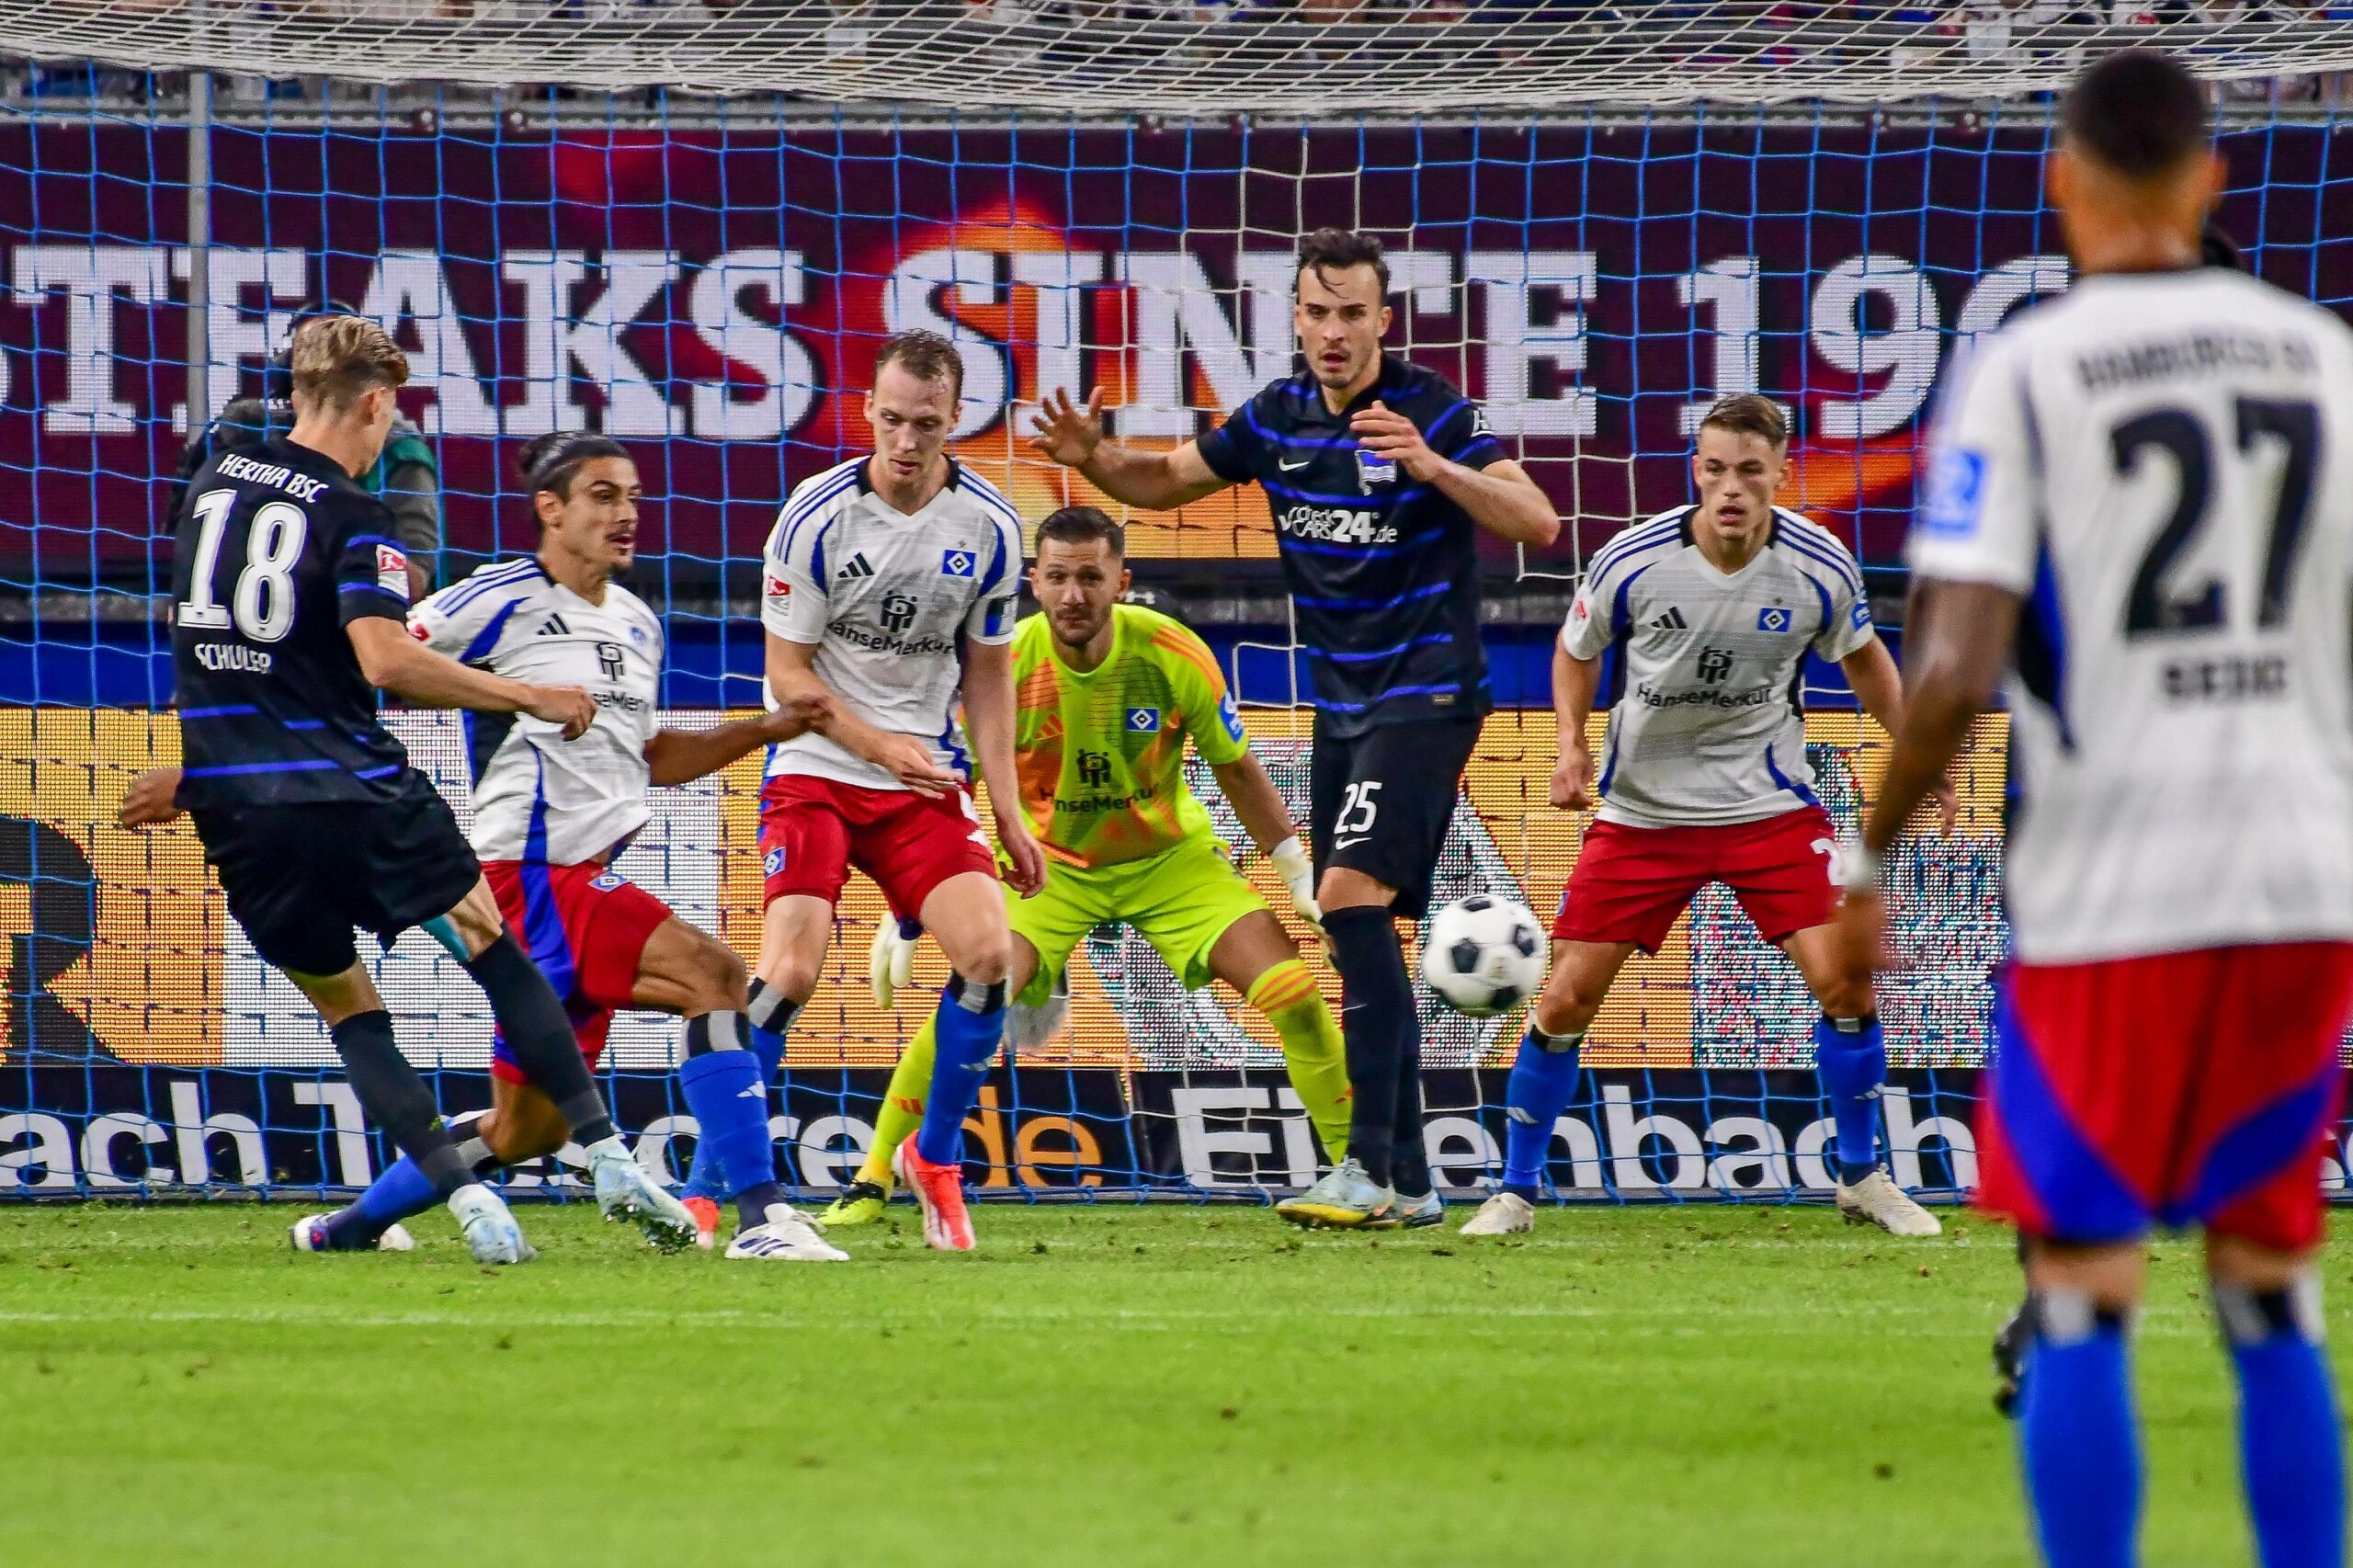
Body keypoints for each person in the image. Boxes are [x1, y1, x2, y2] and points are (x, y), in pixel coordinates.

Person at [1832, 50, 2353, 1567]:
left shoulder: (2033, 368)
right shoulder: (2321, 359)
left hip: (2116, 886)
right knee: (2271, 1291)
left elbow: (1952, 669)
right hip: (2302, 884)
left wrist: (1872, 857)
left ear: (2064, 180)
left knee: (2081, 1291)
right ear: (2211, 179)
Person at [119, 314, 693, 1262]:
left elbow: (227, 648)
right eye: (395, 413)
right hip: (356, 788)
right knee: (493, 949)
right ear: (377, 402)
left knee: (352, 1012)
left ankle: (467, 1201)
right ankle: (605, 1153)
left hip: (240, 809)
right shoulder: (357, 518)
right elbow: (386, 661)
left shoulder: (213, 485)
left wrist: (197, 769)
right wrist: (529, 695)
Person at [1029, 227, 1559, 1228]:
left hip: (1426, 694)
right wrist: (1090, 457)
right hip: (1342, 707)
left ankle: (1369, 1164)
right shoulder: (1274, 417)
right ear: (1295, 318)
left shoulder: (1430, 410)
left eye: (1352, 313)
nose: (1332, 332)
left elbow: (1536, 523)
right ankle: (1404, 1178)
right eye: (1315, 312)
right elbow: (1159, 481)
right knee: (1353, 920)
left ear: (1383, 320)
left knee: (1347, 893)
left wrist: (1432, 463)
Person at [274, 433, 844, 1263]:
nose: (625, 516)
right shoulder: (496, 597)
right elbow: (377, 660)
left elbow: (654, 759)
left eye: (635, 499)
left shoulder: (638, 624)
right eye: (604, 497)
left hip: (578, 882)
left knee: (525, 1127)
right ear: (552, 509)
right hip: (525, 877)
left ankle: (341, 1232)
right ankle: (762, 1218)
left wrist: (766, 729)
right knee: (716, 977)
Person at [1454, 395, 1955, 1239]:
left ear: (1778, 477)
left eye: (1750, 473)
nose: (1731, 489)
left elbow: (1865, 658)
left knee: (1845, 979)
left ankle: (1863, 1176)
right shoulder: (1634, 559)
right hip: (1643, 814)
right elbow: (1577, 652)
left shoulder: (1819, 565)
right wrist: (1571, 746)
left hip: (1769, 807)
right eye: (1716, 469)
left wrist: (1918, 754)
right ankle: (1514, 1190)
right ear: (1697, 470)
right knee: (1568, 999)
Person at [801, 506, 1351, 1231]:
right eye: (1057, 577)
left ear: (1123, 581)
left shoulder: (1170, 653)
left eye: (1091, 577)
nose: (1073, 595)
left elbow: (1237, 770)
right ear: (1033, 581)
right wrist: (904, 913)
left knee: (1294, 992)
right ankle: (874, 1178)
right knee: (975, 992)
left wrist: (1296, 873)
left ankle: (1360, 1172)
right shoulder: (1006, 665)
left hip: (1168, 861)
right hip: (1046, 866)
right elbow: (949, 788)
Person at [714, 329, 1045, 1254]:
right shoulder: (816, 515)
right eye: (892, 419)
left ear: (954, 421)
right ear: (867, 408)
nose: (906, 441)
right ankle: (720, 1181)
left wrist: (1006, 809)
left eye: (927, 425)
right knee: (791, 970)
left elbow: (987, 676)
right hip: (817, 768)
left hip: (919, 780)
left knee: (991, 958)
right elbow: (787, 673)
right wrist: (876, 744)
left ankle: (931, 1158)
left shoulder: (989, 526)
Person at [172, 301, 442, 602]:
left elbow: (414, 582)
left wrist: (335, 544)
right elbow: (187, 552)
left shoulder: (397, 450)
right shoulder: (241, 431)